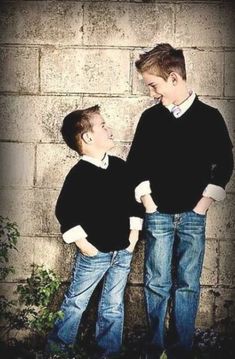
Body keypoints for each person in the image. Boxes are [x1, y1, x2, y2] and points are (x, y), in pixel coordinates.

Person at [126, 43, 234, 359]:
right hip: (157, 214)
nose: (151, 93)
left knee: (187, 282)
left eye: (153, 85)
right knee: (157, 281)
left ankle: (181, 349)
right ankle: (156, 346)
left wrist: (201, 206)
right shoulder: (150, 119)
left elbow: (224, 165)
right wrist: (149, 204)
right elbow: (136, 166)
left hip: (193, 215)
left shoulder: (210, 118)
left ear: (174, 78)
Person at [46, 105, 143, 359]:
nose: (109, 129)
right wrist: (83, 244)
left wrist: (133, 236)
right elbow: (65, 211)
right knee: (76, 303)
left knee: (113, 306)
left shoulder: (120, 168)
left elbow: (134, 201)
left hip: (122, 252)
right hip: (94, 255)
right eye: (102, 125)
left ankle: (108, 352)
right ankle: (58, 351)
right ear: (88, 138)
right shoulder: (79, 175)